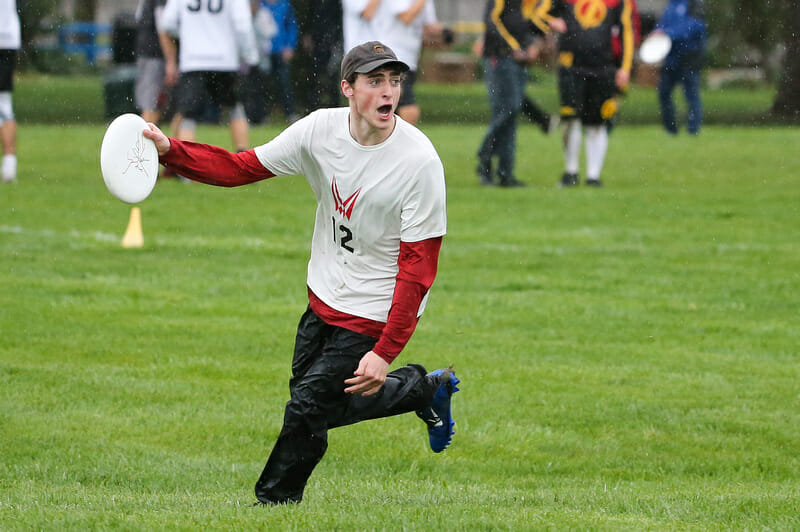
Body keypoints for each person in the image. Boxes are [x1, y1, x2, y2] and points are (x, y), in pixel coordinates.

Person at [142, 40, 460, 506]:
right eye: (375, 81)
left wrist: (385, 351)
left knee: (307, 407)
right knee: (318, 406)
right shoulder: (318, 131)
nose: (388, 91)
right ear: (348, 88)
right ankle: (423, 389)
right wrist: (171, 150)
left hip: (377, 306)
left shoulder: (419, 163)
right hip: (324, 293)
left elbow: (418, 271)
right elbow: (239, 167)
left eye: (394, 81)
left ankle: (274, 502)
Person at [544, 0, 635, 187]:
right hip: (571, 66)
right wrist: (550, 21)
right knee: (571, 119)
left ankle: (593, 176)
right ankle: (571, 172)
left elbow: (627, 31)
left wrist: (625, 68)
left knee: (597, 122)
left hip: (602, 67)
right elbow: (537, 13)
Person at [159, 0, 259, 152]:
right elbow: (242, 25)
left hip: (193, 61)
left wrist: (188, 34)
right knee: (234, 108)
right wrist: (250, 55)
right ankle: (242, 158)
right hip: (225, 61)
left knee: (188, 115)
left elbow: (167, 23)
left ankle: (186, 166)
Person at [476, 0, 546, 188]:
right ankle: (485, 157)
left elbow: (527, 22)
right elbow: (491, 20)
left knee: (511, 113)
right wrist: (514, 46)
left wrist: (532, 43)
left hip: (518, 61)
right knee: (508, 109)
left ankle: (505, 173)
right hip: (500, 56)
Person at [372, 0, 447, 125]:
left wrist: (445, 32)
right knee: (407, 105)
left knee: (394, 104)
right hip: (392, 55)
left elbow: (429, 26)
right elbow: (406, 17)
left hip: (409, 57)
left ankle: (389, 138)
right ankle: (403, 140)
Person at [653, 0, 706, 135]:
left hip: (688, 57)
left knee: (691, 95)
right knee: (664, 94)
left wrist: (669, 33)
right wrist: (657, 33)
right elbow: (662, 24)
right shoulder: (671, 5)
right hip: (670, 58)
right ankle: (670, 129)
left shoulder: (694, 3)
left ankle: (693, 130)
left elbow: (695, 26)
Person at [259, 0, 300, 123]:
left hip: (280, 50)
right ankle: (262, 115)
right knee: (262, 84)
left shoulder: (285, 5)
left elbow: (291, 25)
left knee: (284, 83)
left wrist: (290, 45)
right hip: (263, 52)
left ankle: (290, 113)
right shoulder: (260, 5)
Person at [134, 0, 167, 125]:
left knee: (153, 102)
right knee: (150, 102)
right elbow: (163, 25)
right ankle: (143, 140)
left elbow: (138, 17)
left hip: (146, 50)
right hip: (155, 53)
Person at [0, 0, 20, 183]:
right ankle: (9, 164)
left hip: (5, 37)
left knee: (3, 103)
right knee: (4, 103)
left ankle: (9, 165)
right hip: (7, 37)